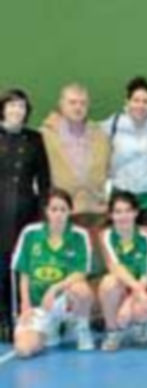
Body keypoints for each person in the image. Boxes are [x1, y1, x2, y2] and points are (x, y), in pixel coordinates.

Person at [12, 189, 94, 357]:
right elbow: (23, 272)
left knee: (81, 289)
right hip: (39, 307)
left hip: (63, 301)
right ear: (46, 211)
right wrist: (25, 306)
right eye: (54, 209)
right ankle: (50, 331)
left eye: (63, 210)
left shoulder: (80, 236)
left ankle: (79, 327)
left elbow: (81, 272)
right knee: (24, 350)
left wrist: (55, 288)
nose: (58, 214)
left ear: (70, 212)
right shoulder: (30, 234)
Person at [0, 88, 51, 339]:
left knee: (21, 265)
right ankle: (2, 319)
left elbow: (44, 181)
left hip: (25, 211)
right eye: (11, 105)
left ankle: (22, 316)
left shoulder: (35, 139)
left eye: (21, 106)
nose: (16, 110)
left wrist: (44, 215)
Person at [41, 84, 110, 264]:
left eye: (82, 103)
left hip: (96, 215)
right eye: (72, 102)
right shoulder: (46, 136)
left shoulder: (101, 135)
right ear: (61, 105)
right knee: (62, 269)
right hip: (62, 216)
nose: (78, 107)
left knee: (96, 269)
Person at [103, 76, 147, 228]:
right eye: (136, 100)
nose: (140, 105)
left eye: (145, 101)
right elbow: (88, 130)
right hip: (122, 197)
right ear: (127, 102)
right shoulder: (114, 123)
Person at [97, 192, 147, 351]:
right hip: (123, 287)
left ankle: (141, 323)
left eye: (127, 211)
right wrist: (129, 298)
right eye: (118, 212)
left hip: (143, 288)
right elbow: (115, 267)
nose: (123, 216)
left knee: (142, 308)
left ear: (136, 212)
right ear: (111, 215)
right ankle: (112, 331)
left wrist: (129, 302)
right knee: (108, 283)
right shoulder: (106, 235)